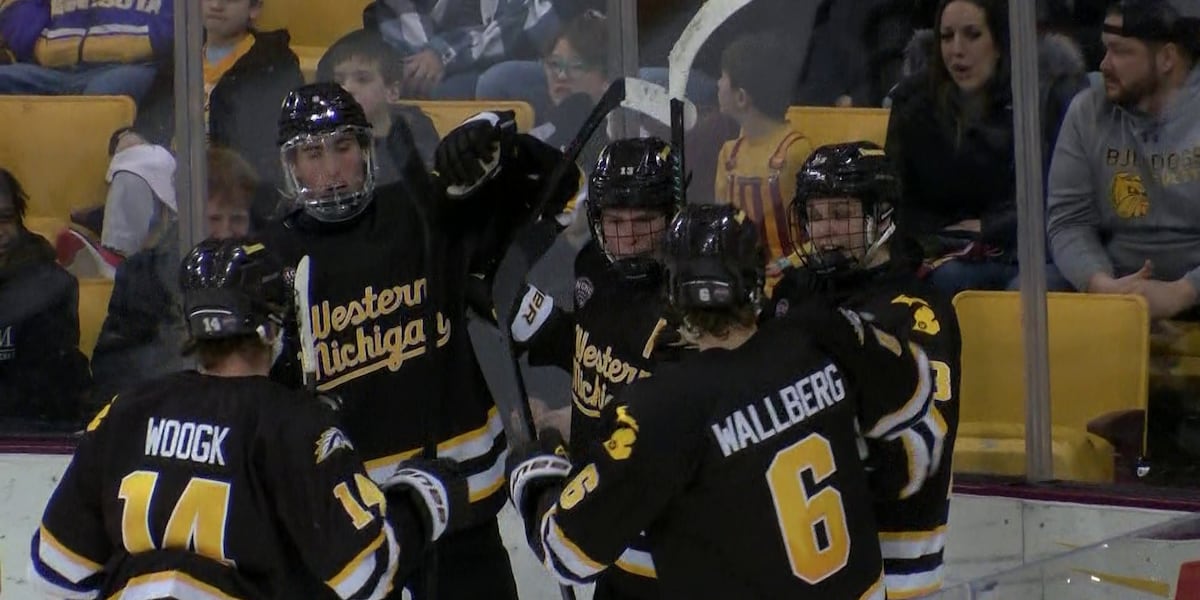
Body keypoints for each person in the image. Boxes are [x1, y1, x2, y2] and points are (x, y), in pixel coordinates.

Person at [505, 203, 945, 598]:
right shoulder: (827, 336)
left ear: (674, 294)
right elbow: (915, 406)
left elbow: (568, 553)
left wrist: (537, 478)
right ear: (757, 281)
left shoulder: (664, 407)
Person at [264, 82, 578, 599]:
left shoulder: (425, 211)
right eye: (312, 154)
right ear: (291, 166)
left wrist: (498, 141)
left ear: (365, 150)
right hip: (350, 529)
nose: (332, 168)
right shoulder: (271, 260)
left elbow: (560, 190)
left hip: (462, 506)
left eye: (343, 147)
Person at [29, 237, 470, 599]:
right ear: (273, 327)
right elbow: (365, 575)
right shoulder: (293, 424)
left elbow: (58, 570)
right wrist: (422, 500)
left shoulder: (126, 411)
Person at [767, 141, 961, 597]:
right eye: (816, 216)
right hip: (809, 557)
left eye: (841, 214)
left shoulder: (919, 312)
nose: (826, 232)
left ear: (881, 216)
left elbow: (918, 457)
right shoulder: (797, 294)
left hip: (894, 563)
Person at [508, 137, 683, 599]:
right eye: (614, 221)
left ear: (673, 215)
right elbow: (598, 347)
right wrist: (536, 321)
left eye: (644, 222)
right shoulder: (593, 264)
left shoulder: (687, 306)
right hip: (602, 520)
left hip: (664, 541)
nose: (627, 240)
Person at [1048, 0, 1200, 317]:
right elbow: (1068, 221)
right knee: (1027, 292)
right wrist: (1099, 283)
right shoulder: (1087, 111)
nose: (1104, 64)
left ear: (1166, 58)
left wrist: (1183, 291)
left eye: (1120, 52)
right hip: (1115, 276)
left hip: (1193, 281)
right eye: (1105, 50)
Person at [90, 146, 258, 410]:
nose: (226, 233)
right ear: (186, 214)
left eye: (237, 219)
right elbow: (113, 369)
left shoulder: (265, 274)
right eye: (213, 219)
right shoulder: (142, 276)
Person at [136, 0, 303, 188]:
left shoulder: (274, 62)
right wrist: (134, 136)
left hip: (235, 180)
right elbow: (149, 120)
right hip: (170, 169)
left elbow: (270, 144)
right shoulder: (180, 54)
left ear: (254, 9)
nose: (216, 5)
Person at [714, 33, 812, 293]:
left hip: (792, 285)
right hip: (741, 287)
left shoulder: (795, 152)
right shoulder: (728, 155)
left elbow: (818, 232)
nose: (717, 83)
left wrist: (788, 263)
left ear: (742, 97)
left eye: (723, 77)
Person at [0, 167, 91, 430]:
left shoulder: (50, 289)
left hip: (33, 441)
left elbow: (46, 394)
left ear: (19, 220)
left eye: (5, 219)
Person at [316, 28, 440, 180]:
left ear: (392, 92)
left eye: (362, 79)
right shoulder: (323, 140)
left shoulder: (417, 132)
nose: (347, 89)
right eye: (339, 81)